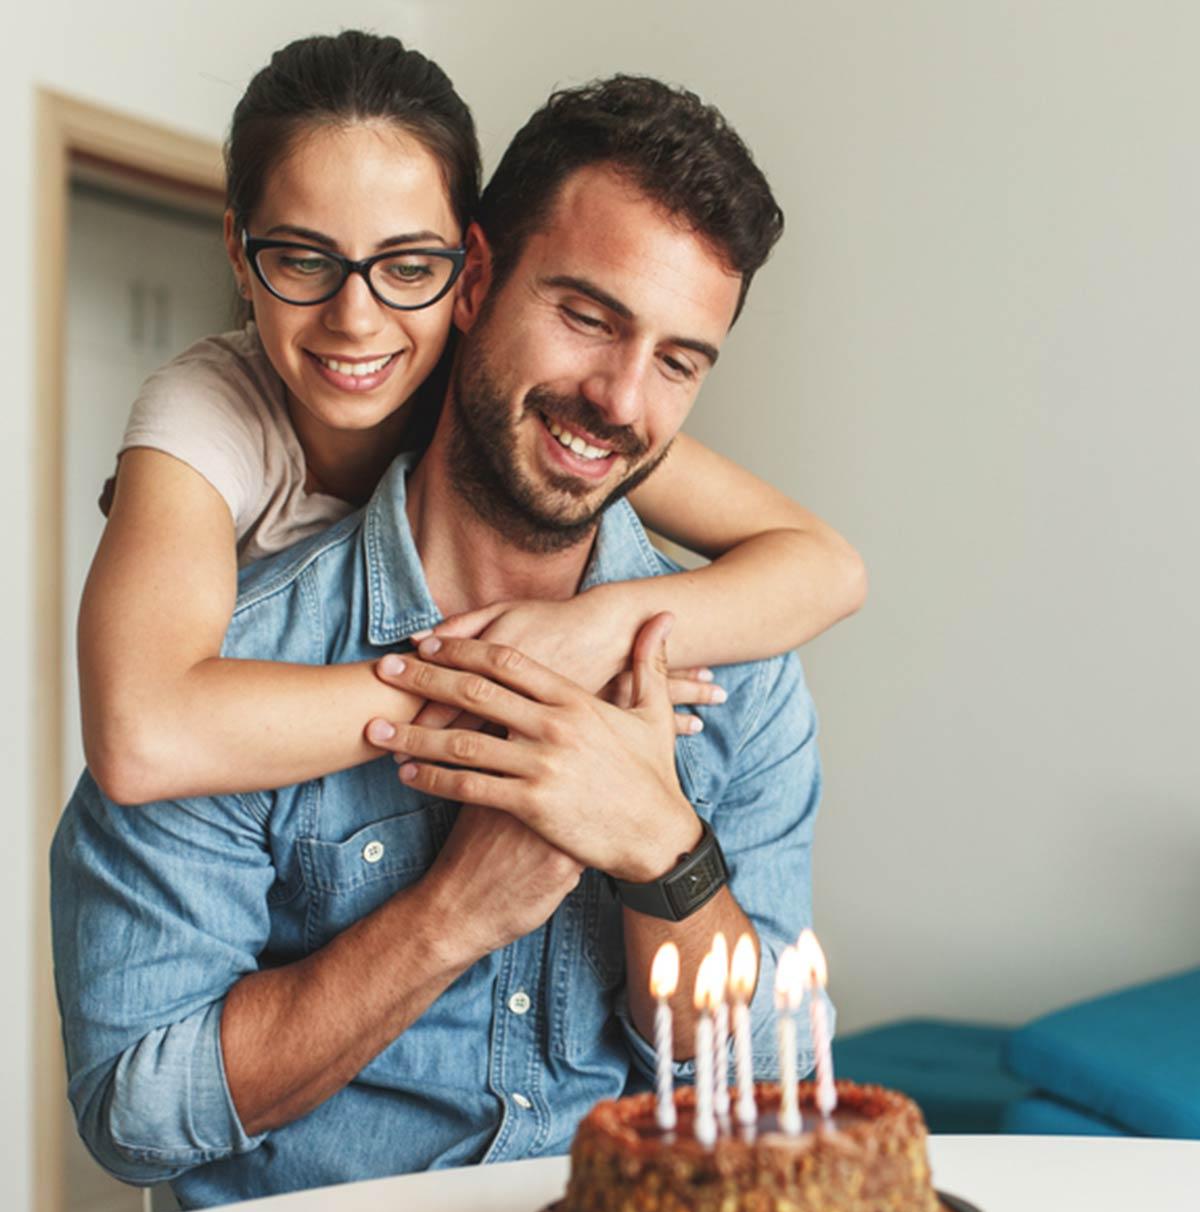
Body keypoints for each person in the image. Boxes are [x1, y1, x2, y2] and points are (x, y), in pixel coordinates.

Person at [52, 70, 823, 1208]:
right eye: (588, 316)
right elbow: (136, 1111)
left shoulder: (744, 678)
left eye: (677, 360)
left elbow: (766, 1101)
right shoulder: (230, 667)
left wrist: (664, 850)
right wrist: (457, 912)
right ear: (475, 282)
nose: (618, 398)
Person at [79, 31, 864, 810]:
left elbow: (826, 568)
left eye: (410, 267)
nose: (357, 319)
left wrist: (599, 629)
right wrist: (502, 685)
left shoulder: (506, 395)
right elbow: (138, 736)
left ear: (468, 276)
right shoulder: (202, 415)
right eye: (305, 260)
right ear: (240, 254)